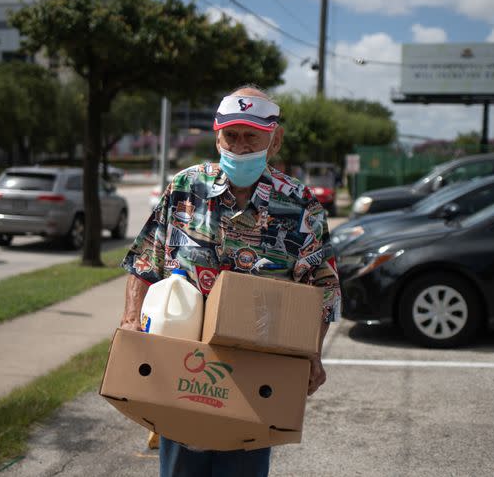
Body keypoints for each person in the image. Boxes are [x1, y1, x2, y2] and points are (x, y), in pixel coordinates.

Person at [119, 85, 341, 477]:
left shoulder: (300, 205)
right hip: (182, 372)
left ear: (274, 141)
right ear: (216, 134)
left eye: (251, 136)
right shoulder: (186, 188)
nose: (239, 147)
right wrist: (131, 321)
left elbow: (322, 288)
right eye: (231, 135)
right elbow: (144, 260)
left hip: (255, 379)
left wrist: (313, 353)